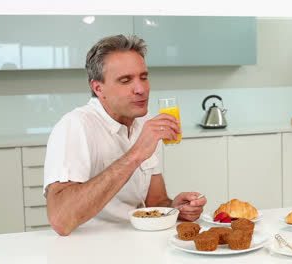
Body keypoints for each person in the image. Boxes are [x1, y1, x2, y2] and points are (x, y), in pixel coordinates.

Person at [43, 34, 207, 236]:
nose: (141, 89)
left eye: (144, 77)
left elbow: (155, 202)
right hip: (89, 248)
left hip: (136, 242)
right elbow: (60, 219)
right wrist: (136, 153)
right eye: (125, 80)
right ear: (98, 88)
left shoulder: (144, 124)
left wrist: (175, 208)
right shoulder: (75, 126)